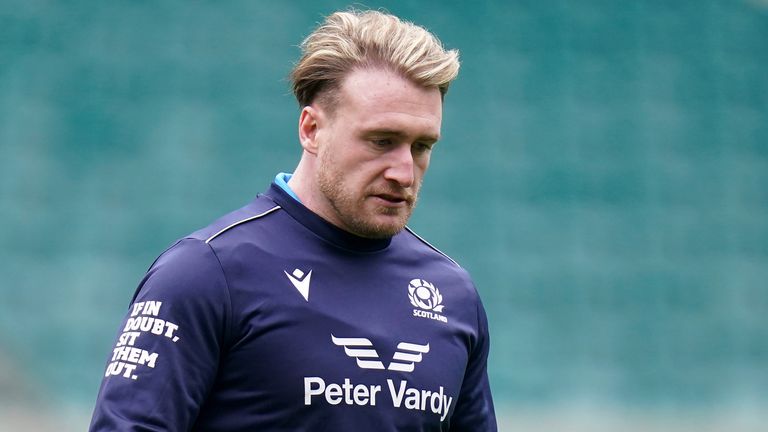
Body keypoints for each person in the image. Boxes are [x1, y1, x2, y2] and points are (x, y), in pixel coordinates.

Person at [89, 9, 496, 431]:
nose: (404, 172)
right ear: (311, 129)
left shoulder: (453, 295)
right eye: (382, 141)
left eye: (422, 146)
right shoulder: (206, 273)